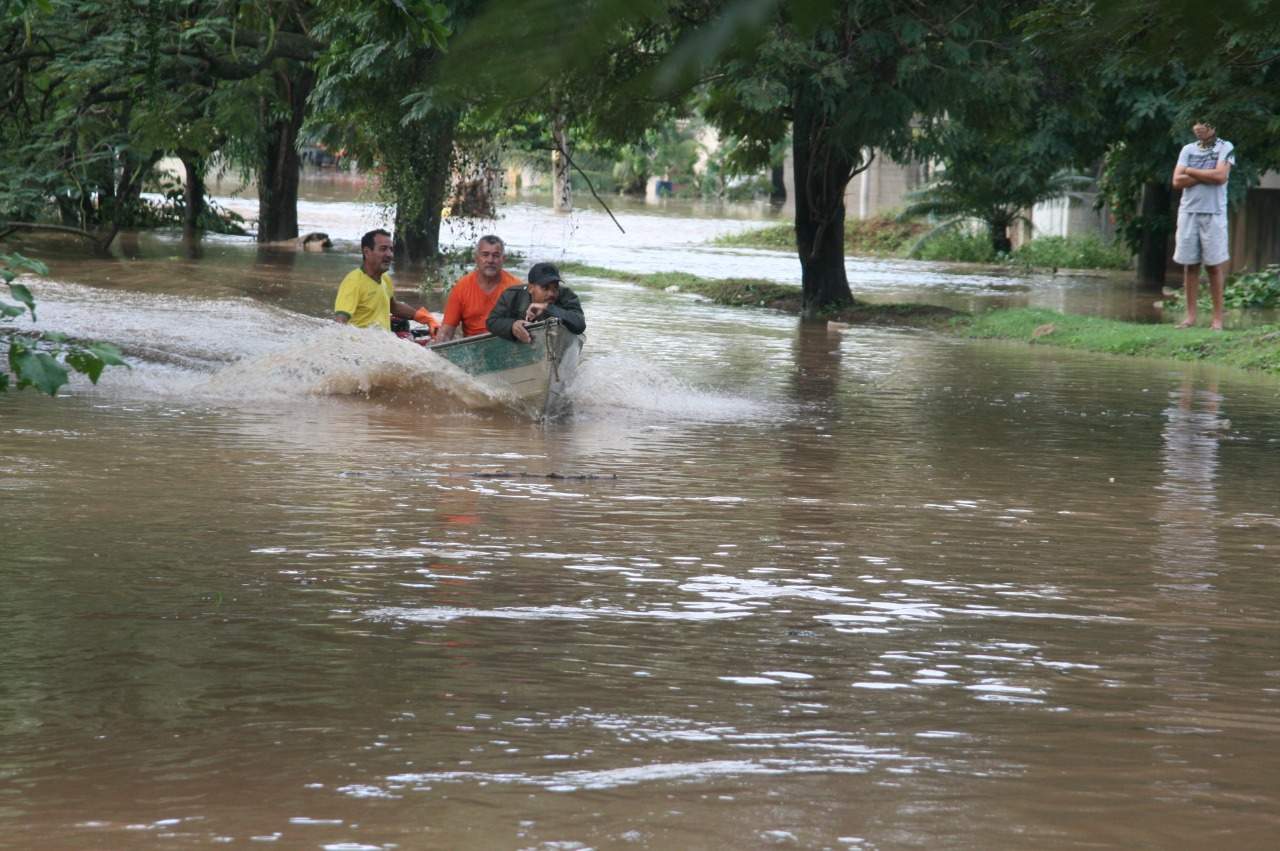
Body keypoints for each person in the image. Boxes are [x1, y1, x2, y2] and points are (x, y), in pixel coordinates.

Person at [1171, 121, 1235, 331]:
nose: (1199, 127)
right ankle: (1190, 317)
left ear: (1214, 126)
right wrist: (1204, 173)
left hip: (1214, 213)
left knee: (1213, 266)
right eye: (1195, 124)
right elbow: (1177, 181)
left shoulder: (1225, 147)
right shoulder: (1187, 149)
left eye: (1204, 124)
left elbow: (1220, 177)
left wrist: (1190, 170)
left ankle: (1217, 320)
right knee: (1190, 265)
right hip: (1188, 212)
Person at [334, 229, 438, 334]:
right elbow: (340, 323)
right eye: (383, 249)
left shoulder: (385, 279)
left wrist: (426, 318)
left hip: (385, 341)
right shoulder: (353, 282)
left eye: (391, 249)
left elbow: (393, 306)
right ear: (367, 252)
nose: (389, 254)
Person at [437, 235, 521, 342]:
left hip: (507, 345)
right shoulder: (461, 287)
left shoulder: (516, 287)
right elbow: (447, 331)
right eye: (485, 255)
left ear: (503, 259)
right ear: (476, 258)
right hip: (473, 348)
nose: (490, 260)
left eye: (496, 255)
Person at [487, 262, 586, 343]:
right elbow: (492, 322)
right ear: (531, 288)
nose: (551, 293)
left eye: (555, 287)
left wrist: (548, 308)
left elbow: (580, 325)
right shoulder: (512, 295)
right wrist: (512, 326)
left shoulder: (566, 295)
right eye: (545, 288)